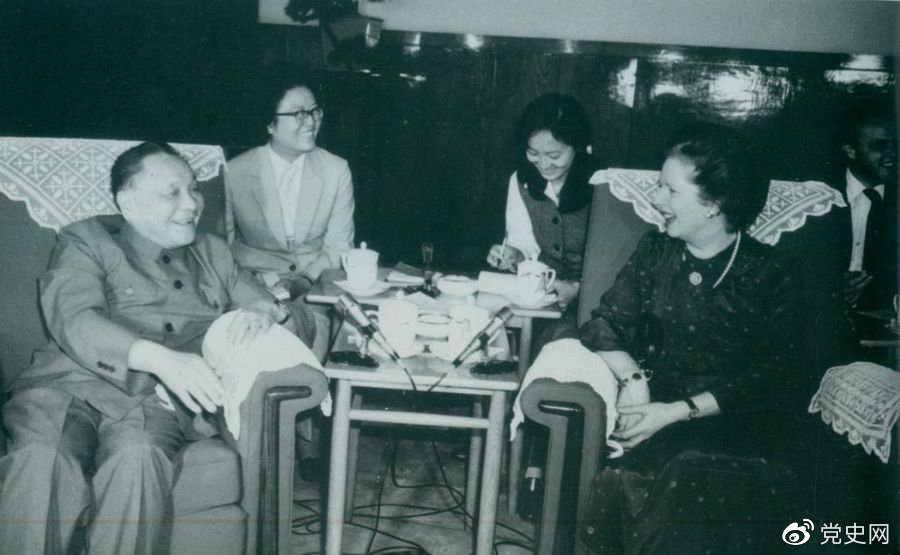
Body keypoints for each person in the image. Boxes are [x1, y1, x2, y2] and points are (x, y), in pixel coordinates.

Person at [0, 142, 316, 554]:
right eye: (173, 192)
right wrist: (159, 358)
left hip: (154, 401)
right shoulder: (87, 239)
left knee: (138, 458)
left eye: (194, 189)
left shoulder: (214, 253)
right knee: (41, 457)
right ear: (128, 204)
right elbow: (73, 316)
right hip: (66, 384)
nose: (192, 203)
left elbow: (288, 317)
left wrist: (270, 313)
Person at [576, 126, 807, 553]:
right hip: (658, 422)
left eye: (669, 189)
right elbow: (605, 323)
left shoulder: (772, 273)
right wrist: (632, 377)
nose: (656, 199)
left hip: (737, 431)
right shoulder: (655, 252)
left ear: (713, 204)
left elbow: (775, 377)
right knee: (627, 478)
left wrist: (677, 412)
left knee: (687, 477)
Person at [225, 74, 355, 310]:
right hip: (250, 288)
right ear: (269, 124)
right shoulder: (234, 172)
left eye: (314, 111)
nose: (311, 121)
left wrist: (303, 283)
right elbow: (221, 247)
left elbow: (338, 247)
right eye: (298, 114)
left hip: (314, 288)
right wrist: (253, 285)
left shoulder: (336, 170)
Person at [486, 92, 602, 312]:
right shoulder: (522, 180)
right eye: (533, 153)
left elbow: (614, 260)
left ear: (578, 147)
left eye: (554, 156)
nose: (543, 164)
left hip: (596, 301)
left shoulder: (603, 184)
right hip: (544, 297)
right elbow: (525, 243)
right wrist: (515, 254)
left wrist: (579, 289)